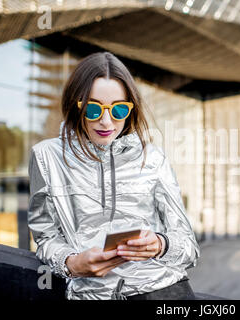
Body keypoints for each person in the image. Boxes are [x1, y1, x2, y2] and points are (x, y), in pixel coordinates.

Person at [27, 52, 200, 300]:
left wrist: (160, 244)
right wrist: (72, 263)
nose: (106, 121)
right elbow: (45, 238)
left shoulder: (152, 157)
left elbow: (188, 246)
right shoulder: (46, 156)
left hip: (165, 293)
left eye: (118, 109)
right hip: (91, 295)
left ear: (130, 109)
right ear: (77, 104)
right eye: (94, 108)